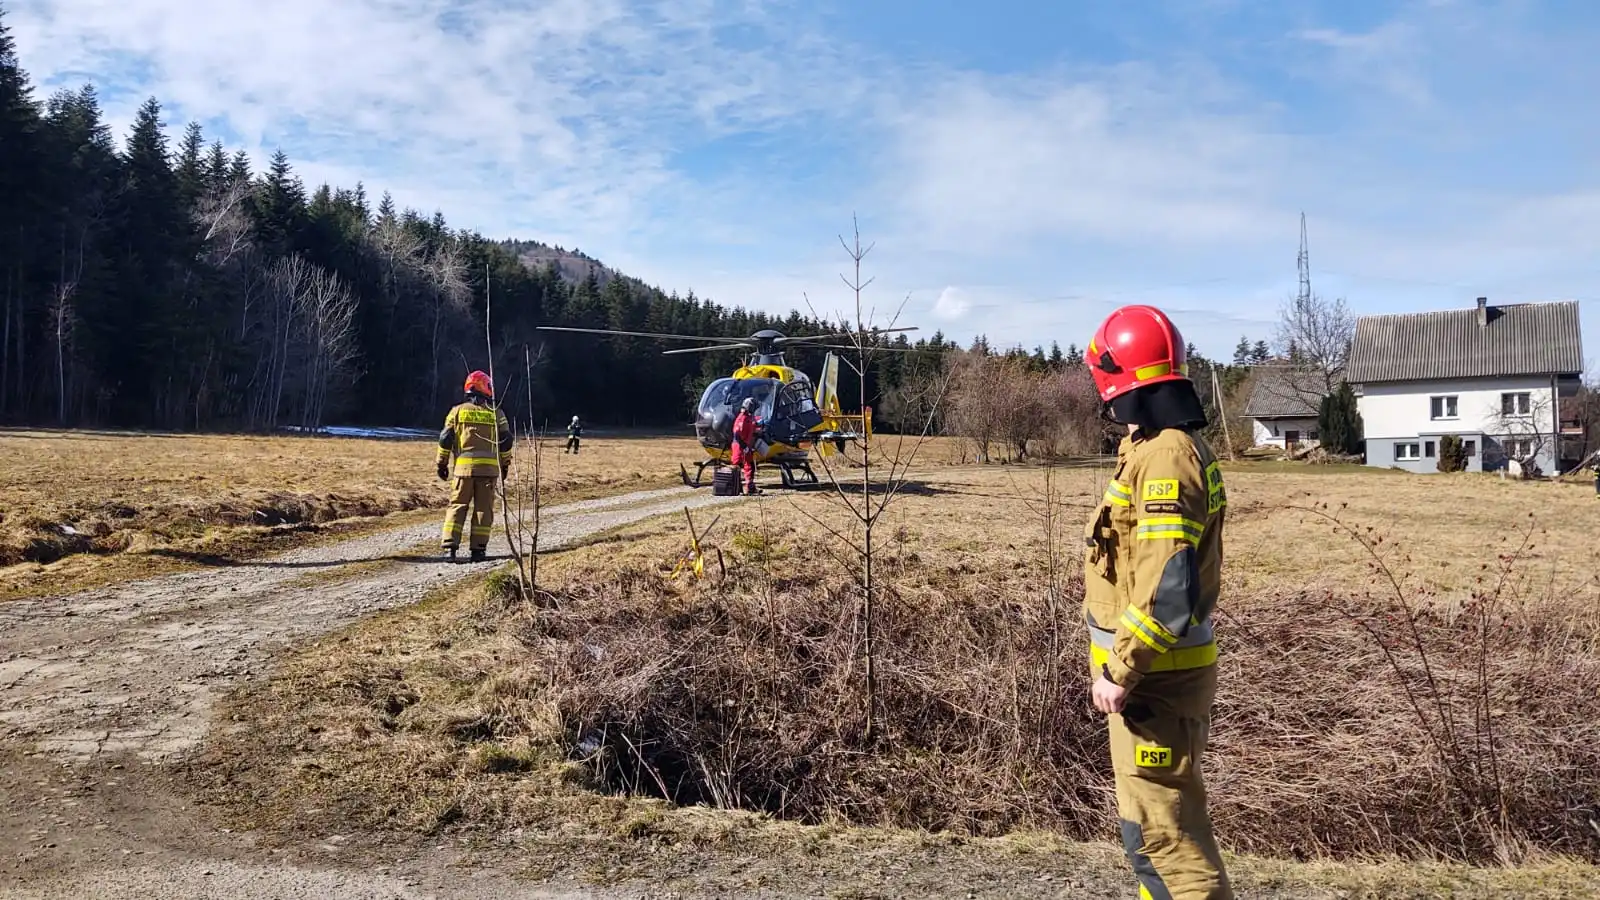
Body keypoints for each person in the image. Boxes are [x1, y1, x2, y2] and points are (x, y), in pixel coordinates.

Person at [1080, 304, 1233, 900]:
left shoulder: (1167, 455)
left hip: (1154, 679)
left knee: (1169, 841)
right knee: (1148, 833)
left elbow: (1167, 580)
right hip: (1153, 678)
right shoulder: (1151, 447)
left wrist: (1123, 667)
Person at [436, 370, 513, 562]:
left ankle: (449, 548)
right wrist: (505, 466)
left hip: (463, 471)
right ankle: (478, 551)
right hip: (488, 472)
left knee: (457, 506)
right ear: (485, 387)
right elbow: (506, 442)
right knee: (483, 510)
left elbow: (445, 439)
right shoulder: (498, 414)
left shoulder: (457, 411)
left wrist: (442, 463)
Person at [730, 396, 761, 495]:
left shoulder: (749, 417)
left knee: (749, 465)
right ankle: (734, 487)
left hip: (746, 445)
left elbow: (753, 426)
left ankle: (750, 487)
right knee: (737, 465)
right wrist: (744, 447)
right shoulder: (742, 418)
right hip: (739, 445)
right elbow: (737, 434)